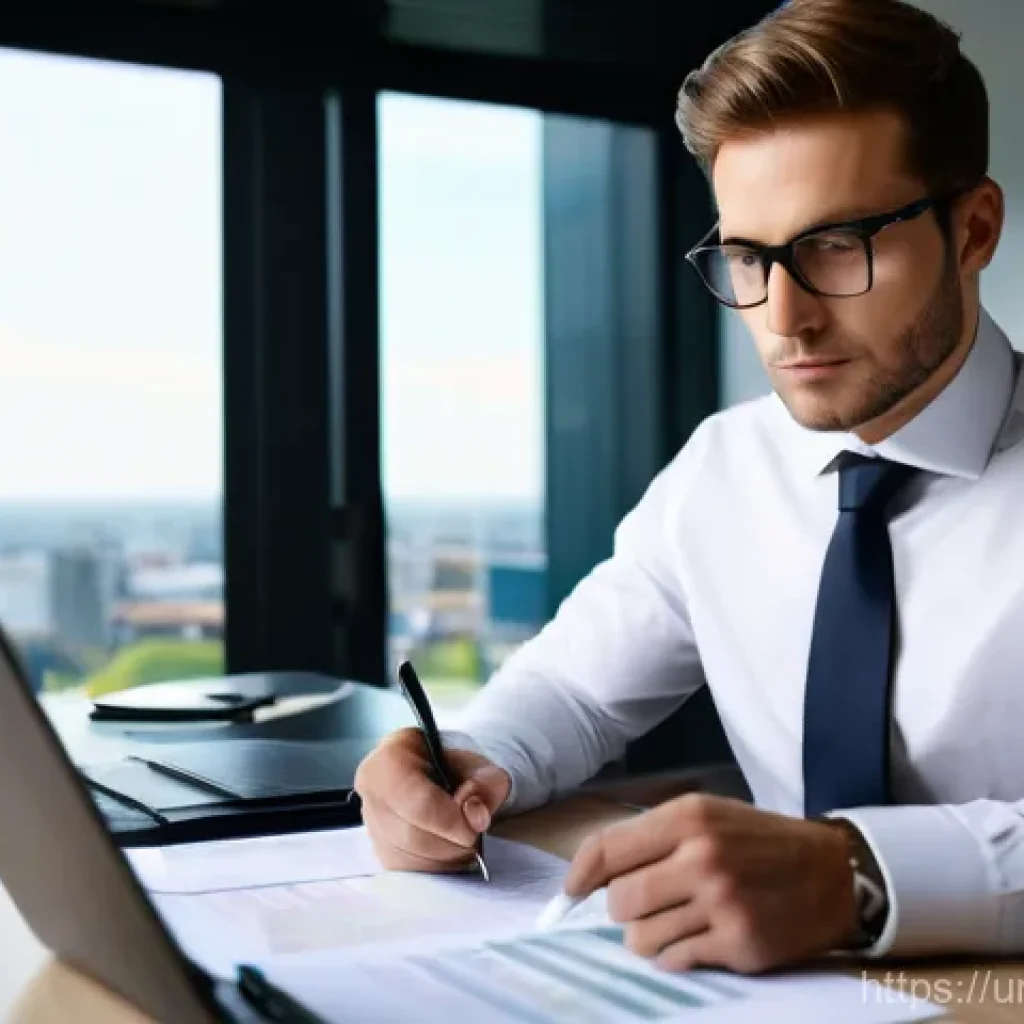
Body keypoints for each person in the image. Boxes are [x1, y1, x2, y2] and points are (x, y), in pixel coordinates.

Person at [355, 0, 1024, 974]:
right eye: (749, 257)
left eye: (838, 245)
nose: (783, 318)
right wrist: (467, 761)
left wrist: (854, 876)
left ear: (973, 231)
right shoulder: (723, 469)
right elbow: (572, 688)